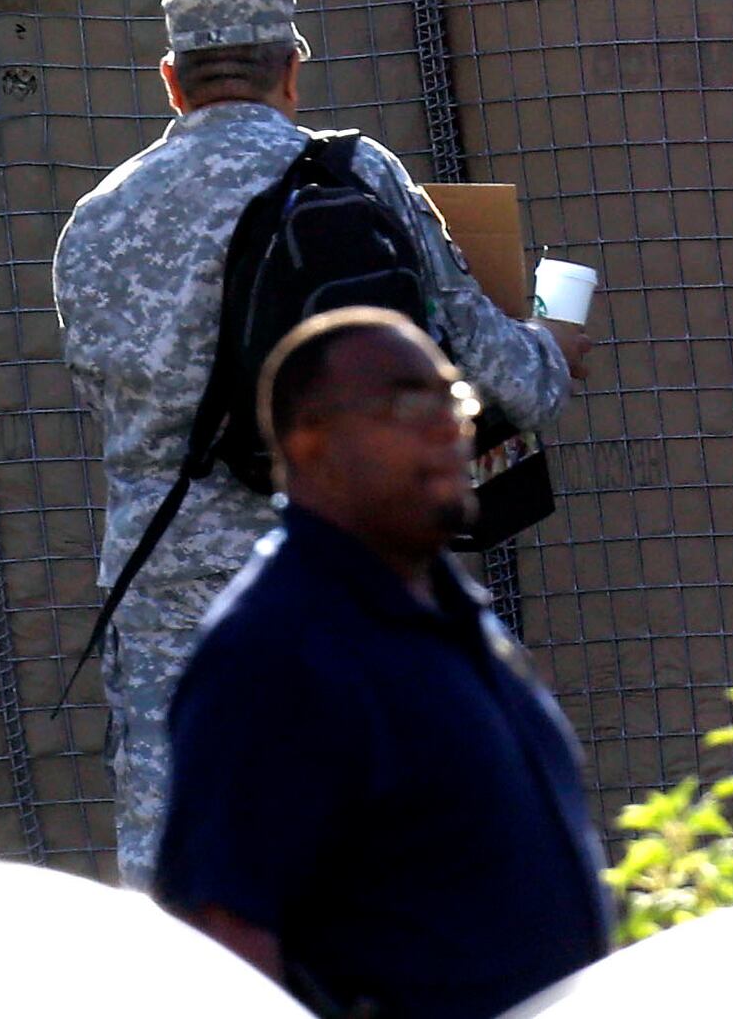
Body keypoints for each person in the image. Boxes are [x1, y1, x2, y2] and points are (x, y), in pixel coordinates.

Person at [52, 0, 579, 889]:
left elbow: (110, 406)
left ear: (172, 83)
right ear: (291, 72)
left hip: (164, 583)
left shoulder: (97, 219)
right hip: (335, 571)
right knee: (367, 838)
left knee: (175, 843)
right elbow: (506, 376)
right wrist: (554, 343)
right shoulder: (353, 177)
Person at [155, 310, 612, 1018]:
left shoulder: (455, 617)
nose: (448, 427)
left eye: (453, 399)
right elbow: (225, 948)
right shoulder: (274, 649)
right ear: (310, 443)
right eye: (407, 402)